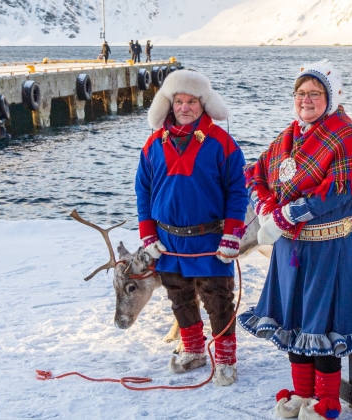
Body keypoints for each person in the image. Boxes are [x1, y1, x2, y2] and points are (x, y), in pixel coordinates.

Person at [238, 59, 352, 420]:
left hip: (332, 249)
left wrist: (289, 214)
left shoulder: (346, 136)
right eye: (300, 93)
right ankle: (301, 396)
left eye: (314, 93)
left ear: (331, 96)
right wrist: (265, 208)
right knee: (294, 321)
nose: (306, 100)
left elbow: (345, 194)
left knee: (324, 324)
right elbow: (256, 174)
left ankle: (325, 401)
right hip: (292, 249)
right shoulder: (288, 137)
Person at [136, 69, 248, 387]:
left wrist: (232, 233)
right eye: (179, 101)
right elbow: (142, 190)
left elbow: (238, 190)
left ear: (203, 104)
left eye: (192, 101)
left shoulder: (222, 143)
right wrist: (147, 234)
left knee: (218, 300)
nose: (185, 107)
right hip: (167, 239)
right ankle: (195, 351)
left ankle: (226, 360)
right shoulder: (153, 144)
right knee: (179, 296)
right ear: (170, 104)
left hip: (211, 239)